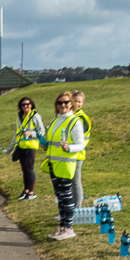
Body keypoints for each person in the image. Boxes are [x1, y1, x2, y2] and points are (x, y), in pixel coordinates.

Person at [42, 91, 85, 241]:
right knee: (60, 197)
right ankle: (62, 227)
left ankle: (68, 228)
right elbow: (53, 143)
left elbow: (81, 145)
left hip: (66, 165)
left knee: (66, 197)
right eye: (60, 103)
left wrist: (69, 148)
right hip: (54, 164)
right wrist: (44, 145)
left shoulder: (74, 121)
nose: (63, 105)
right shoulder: (56, 121)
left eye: (66, 102)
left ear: (71, 103)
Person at [10, 96, 43, 200]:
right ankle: (26, 190)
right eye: (23, 104)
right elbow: (16, 134)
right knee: (24, 169)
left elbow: (41, 131)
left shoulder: (35, 116)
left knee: (30, 169)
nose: (26, 106)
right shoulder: (19, 118)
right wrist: (11, 147)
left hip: (31, 146)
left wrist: (31, 133)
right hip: (21, 146)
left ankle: (31, 192)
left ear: (31, 105)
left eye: (28, 104)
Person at [70, 90, 91, 207]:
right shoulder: (71, 116)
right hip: (69, 154)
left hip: (77, 154)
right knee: (70, 184)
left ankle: (76, 210)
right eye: (75, 101)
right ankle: (70, 210)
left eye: (80, 102)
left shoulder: (81, 118)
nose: (77, 104)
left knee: (76, 183)